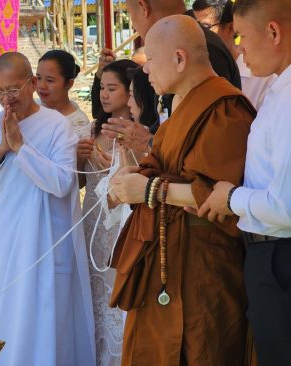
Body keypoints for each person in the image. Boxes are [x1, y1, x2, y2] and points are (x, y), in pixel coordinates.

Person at [109, 15, 255, 365]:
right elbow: (167, 167)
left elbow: (220, 197)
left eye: (151, 62)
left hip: (201, 267)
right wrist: (138, 174)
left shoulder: (224, 108)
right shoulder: (180, 106)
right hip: (166, 257)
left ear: (179, 59)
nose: (144, 72)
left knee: (200, 349)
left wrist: (149, 190)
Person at [0, 52, 95, 366]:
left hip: (43, 244)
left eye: (14, 91)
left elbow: (62, 182)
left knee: (44, 323)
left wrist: (21, 147)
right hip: (3, 244)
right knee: (5, 316)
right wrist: (0, 150)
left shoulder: (57, 126)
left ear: (32, 84)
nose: (7, 100)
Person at [197, 1, 291, 364]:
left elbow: (286, 205)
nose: (238, 48)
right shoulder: (278, 89)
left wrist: (231, 198)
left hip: (279, 257)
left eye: (242, 36)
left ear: (274, 32)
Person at [94, 0, 241, 147]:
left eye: (151, 59)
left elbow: (207, 145)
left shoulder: (195, 44)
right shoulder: (184, 39)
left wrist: (148, 142)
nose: (146, 69)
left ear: (143, 7)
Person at [76, 59, 139, 366]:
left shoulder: (140, 134)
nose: (104, 94)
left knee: (117, 298)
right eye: (101, 87)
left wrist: (107, 165)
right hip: (91, 223)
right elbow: (76, 183)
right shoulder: (91, 129)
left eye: (112, 88)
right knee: (93, 297)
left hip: (121, 227)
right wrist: (79, 158)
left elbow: (138, 182)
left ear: (131, 92)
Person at [193, 0, 276, 110]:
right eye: (195, 28)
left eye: (206, 27)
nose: (200, 35)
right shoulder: (198, 71)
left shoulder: (263, 77)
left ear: (231, 28)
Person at [35, 49, 91, 137]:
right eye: (38, 78)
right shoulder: (31, 107)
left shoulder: (79, 126)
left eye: (50, 80)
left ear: (69, 84)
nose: (42, 86)